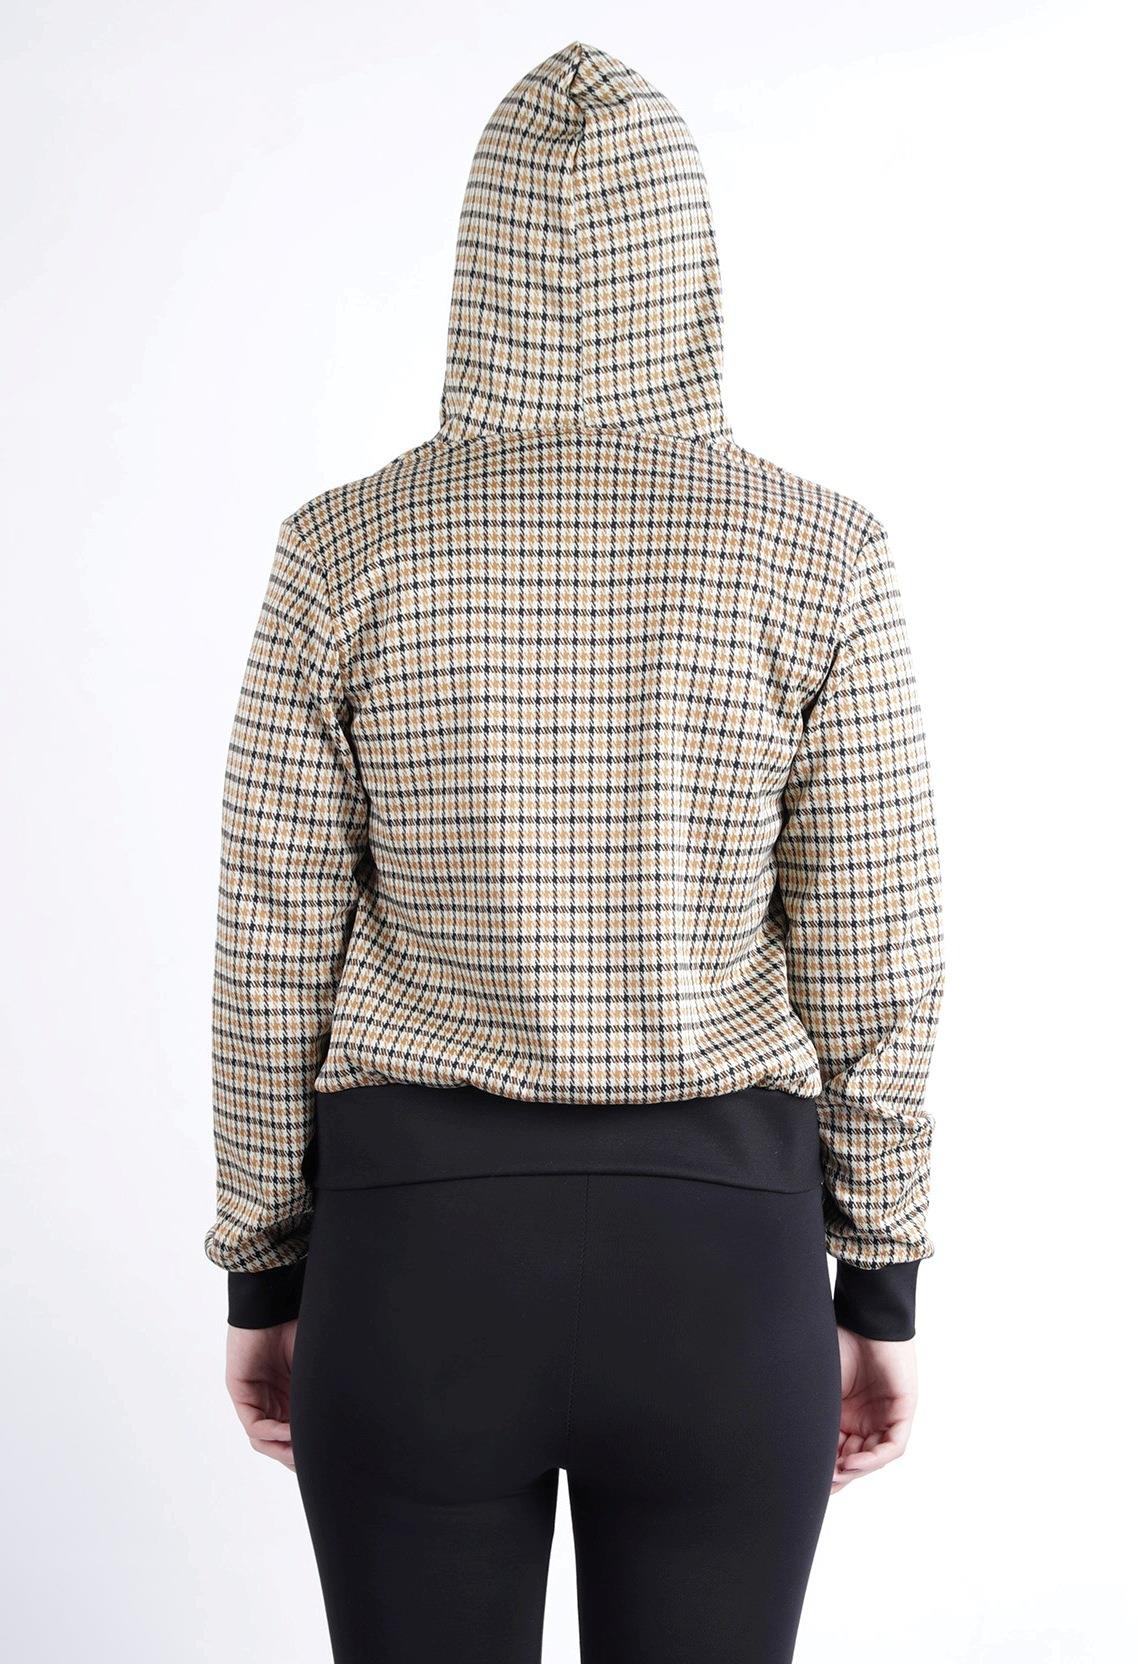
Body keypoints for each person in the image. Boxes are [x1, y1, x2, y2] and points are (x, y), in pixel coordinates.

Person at [206, 40, 944, 1664]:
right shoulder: (819, 554)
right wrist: (877, 1283)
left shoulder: (343, 550)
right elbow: (875, 952)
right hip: (722, 1275)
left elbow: (270, 951)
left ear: (476, 265)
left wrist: (262, 1274)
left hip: (412, 1274)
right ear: (692, 260)